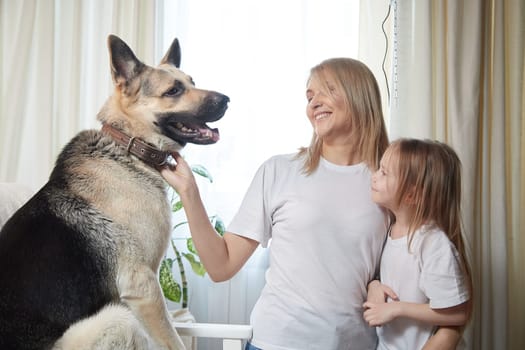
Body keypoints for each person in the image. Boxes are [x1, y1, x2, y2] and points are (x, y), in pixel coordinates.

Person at [161, 59, 459, 349]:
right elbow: (220, 266)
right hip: (273, 342)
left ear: (360, 96)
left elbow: (430, 270)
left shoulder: (389, 184)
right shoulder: (278, 171)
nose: (314, 102)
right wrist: (189, 192)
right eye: (309, 95)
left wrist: (375, 284)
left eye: (327, 90)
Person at [363, 138, 473, 350]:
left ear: (411, 194)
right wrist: (374, 285)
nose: (374, 176)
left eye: (384, 173)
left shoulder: (432, 243)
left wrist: (397, 309)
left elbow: (459, 313)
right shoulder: (389, 227)